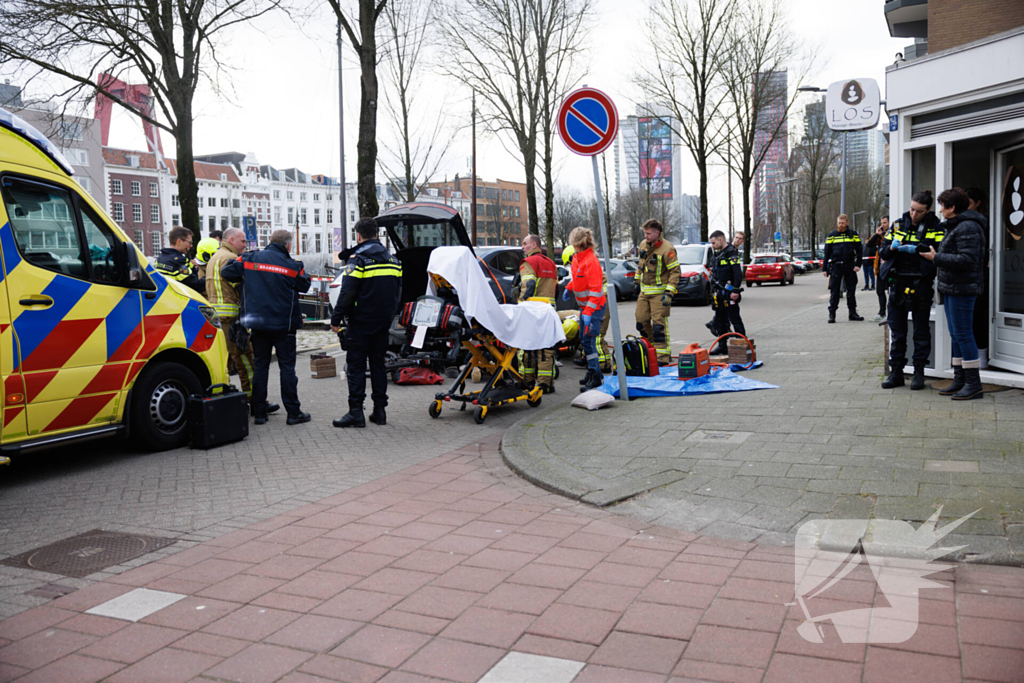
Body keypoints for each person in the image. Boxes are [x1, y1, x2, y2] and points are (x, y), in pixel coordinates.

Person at [222, 230, 312, 425]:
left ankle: (260, 413)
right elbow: (305, 285)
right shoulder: (293, 265)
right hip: (284, 326)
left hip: (257, 324)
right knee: (287, 368)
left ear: (270, 241)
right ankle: (293, 413)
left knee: (261, 366)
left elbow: (227, 271)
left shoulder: (249, 258)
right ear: (288, 246)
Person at [331, 218, 403, 428]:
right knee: (378, 365)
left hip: (361, 321)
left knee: (356, 366)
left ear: (358, 236)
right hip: (383, 322)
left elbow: (348, 291)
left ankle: (356, 412)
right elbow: (398, 292)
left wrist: (336, 318)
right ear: (377, 234)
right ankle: (379, 412)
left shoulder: (358, 259)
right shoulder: (393, 260)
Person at [921, 187, 987, 400]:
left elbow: (968, 260)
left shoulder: (967, 227)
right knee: (956, 335)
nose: (940, 210)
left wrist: (936, 258)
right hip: (952, 288)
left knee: (964, 335)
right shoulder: (957, 226)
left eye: (943, 206)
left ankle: (974, 384)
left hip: (963, 289)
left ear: (953, 208)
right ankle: (960, 380)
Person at [206, 228, 276, 414]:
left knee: (225, 362)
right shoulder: (230, 259)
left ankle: (224, 401)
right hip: (231, 318)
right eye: (243, 241)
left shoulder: (215, 257)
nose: (246, 245)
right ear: (231, 239)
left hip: (216, 317)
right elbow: (242, 288)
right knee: (246, 359)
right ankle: (255, 401)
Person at [878, 191, 944, 390]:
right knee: (897, 332)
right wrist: (891, 249)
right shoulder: (898, 225)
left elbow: (938, 251)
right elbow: (882, 251)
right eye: (912, 209)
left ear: (928, 210)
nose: (914, 214)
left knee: (921, 332)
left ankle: (918, 374)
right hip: (898, 283)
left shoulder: (936, 227)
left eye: (919, 211)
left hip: (921, 283)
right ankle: (896, 373)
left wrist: (915, 249)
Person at [632, 218, 680, 365]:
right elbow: (641, 265)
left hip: (660, 294)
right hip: (644, 293)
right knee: (641, 322)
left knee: (659, 326)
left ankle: (662, 358)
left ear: (657, 233)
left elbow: (675, 272)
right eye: (645, 233)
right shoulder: (643, 245)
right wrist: (636, 281)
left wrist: (669, 292)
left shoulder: (668, 249)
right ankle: (652, 349)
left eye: (648, 233)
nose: (645, 236)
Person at [564, 227, 607, 391]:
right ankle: (592, 371)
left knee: (589, 342)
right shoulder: (577, 259)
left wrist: (588, 312)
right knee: (584, 341)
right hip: (585, 308)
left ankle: (595, 375)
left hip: (594, 308)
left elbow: (596, 291)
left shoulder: (591, 261)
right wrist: (569, 287)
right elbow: (577, 278)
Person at [517, 234, 558, 393]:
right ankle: (545, 384)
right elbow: (557, 289)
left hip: (532, 311)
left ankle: (527, 382)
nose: (522, 247)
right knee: (546, 348)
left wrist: (521, 302)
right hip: (548, 310)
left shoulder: (528, 262)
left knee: (527, 346)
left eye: (525, 243)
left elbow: (529, 285)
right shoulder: (551, 263)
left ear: (534, 245)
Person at [708, 230, 746, 355]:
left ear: (720, 240)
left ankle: (742, 346)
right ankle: (722, 346)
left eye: (713, 243)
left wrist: (735, 290)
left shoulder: (731, 253)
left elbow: (737, 273)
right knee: (720, 321)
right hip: (719, 293)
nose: (712, 246)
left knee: (734, 319)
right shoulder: (718, 254)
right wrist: (714, 291)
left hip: (729, 293)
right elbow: (715, 274)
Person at [823, 214, 864, 323]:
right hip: (836, 266)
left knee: (851, 291)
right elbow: (826, 253)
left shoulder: (853, 234)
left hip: (849, 265)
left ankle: (852, 313)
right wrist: (824, 269)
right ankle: (832, 314)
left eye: (842, 223)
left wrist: (858, 265)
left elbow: (859, 250)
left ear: (847, 223)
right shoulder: (832, 235)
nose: (840, 225)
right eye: (839, 223)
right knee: (834, 291)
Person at [155, 226, 205, 294]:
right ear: (179, 242)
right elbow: (196, 286)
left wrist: (193, 268)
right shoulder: (178, 261)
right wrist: (210, 274)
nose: (191, 246)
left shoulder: (160, 258)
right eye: (190, 243)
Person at [867, 218, 889, 322]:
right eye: (882, 223)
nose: (883, 225)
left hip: (890, 268)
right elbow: (869, 244)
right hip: (880, 269)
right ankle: (882, 313)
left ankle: (891, 313)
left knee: (891, 291)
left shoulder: (893, 234)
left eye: (885, 223)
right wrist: (877, 234)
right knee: (880, 291)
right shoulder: (880, 236)